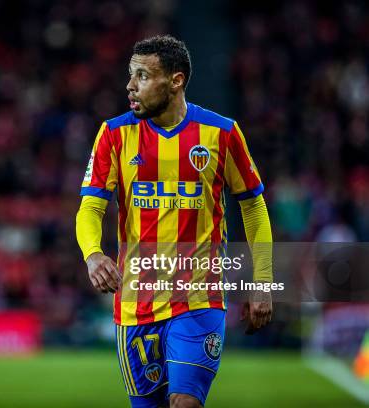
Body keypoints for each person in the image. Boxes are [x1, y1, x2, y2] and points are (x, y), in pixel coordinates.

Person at [76, 35, 273, 408]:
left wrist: (263, 281)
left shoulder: (222, 133)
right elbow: (90, 207)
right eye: (130, 76)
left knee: (185, 402)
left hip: (199, 297)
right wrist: (92, 254)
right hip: (136, 303)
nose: (130, 86)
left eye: (143, 76)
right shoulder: (114, 134)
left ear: (175, 81)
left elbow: (253, 206)